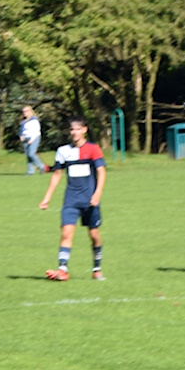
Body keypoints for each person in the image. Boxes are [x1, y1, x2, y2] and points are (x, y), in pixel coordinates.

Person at [36, 116, 106, 280]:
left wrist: (97, 194)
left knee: (94, 235)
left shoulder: (93, 149)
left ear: (84, 130)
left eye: (77, 129)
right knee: (66, 233)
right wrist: (47, 198)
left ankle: (97, 268)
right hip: (71, 200)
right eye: (72, 129)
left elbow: (102, 172)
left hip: (90, 200)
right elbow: (57, 174)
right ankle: (62, 269)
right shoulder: (63, 151)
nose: (74, 132)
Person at [18, 105, 44, 174]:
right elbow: (21, 130)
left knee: (31, 154)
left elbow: (36, 130)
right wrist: (21, 136)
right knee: (28, 156)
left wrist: (32, 139)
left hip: (34, 138)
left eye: (26, 111)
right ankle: (30, 171)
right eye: (23, 111)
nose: (24, 113)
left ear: (30, 111)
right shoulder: (23, 122)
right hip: (25, 139)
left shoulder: (34, 120)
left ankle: (41, 166)